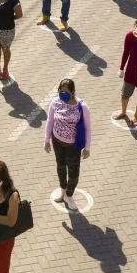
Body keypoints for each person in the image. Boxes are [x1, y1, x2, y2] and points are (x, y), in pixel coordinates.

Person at [44, 78, 90, 210]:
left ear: (73, 92)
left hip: (73, 146)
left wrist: (87, 148)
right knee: (61, 167)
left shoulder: (82, 107)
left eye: (66, 92)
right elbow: (50, 121)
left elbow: (88, 128)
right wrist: (46, 140)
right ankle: (62, 191)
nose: (62, 94)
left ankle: (69, 195)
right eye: (60, 91)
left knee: (74, 173)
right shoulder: (55, 102)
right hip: (57, 142)